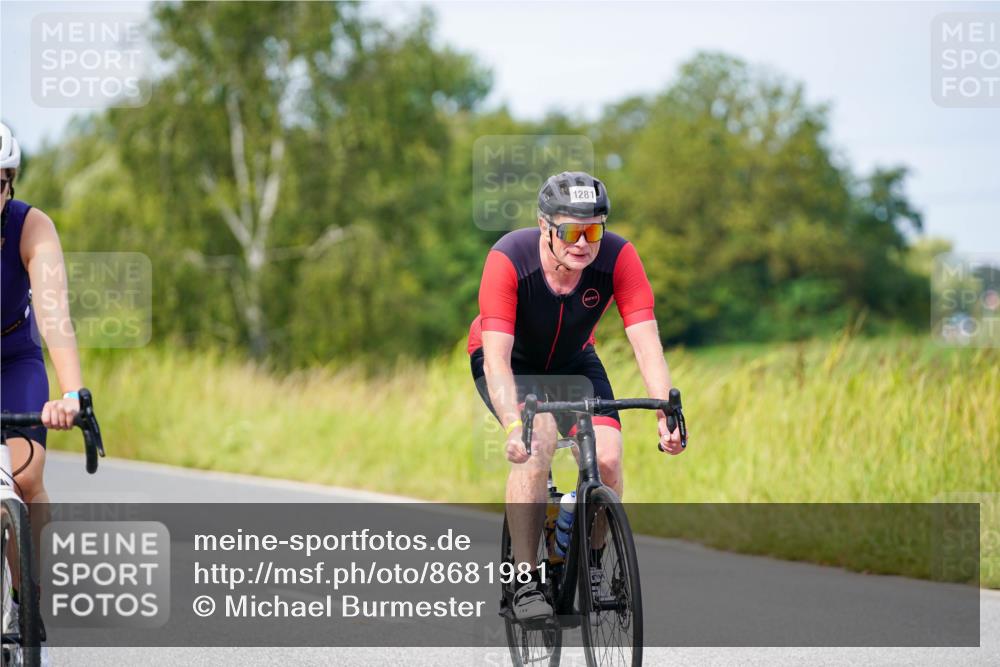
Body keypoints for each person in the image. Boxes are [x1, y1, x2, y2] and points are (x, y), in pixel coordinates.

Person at [468, 171, 686, 620]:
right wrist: (514, 424)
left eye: (593, 231)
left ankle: (589, 561)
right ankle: (525, 580)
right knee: (539, 439)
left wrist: (666, 409)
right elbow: (496, 361)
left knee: (608, 457)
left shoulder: (620, 257)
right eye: (570, 230)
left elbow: (645, 342)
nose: (583, 243)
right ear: (544, 225)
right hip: (512, 364)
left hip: (574, 361)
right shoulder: (509, 258)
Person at [1, 121, 84, 648]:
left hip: (14, 360)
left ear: (7, 181)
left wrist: (72, 394)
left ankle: (25, 601)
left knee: (27, 479)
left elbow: (54, 315)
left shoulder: (32, 228)